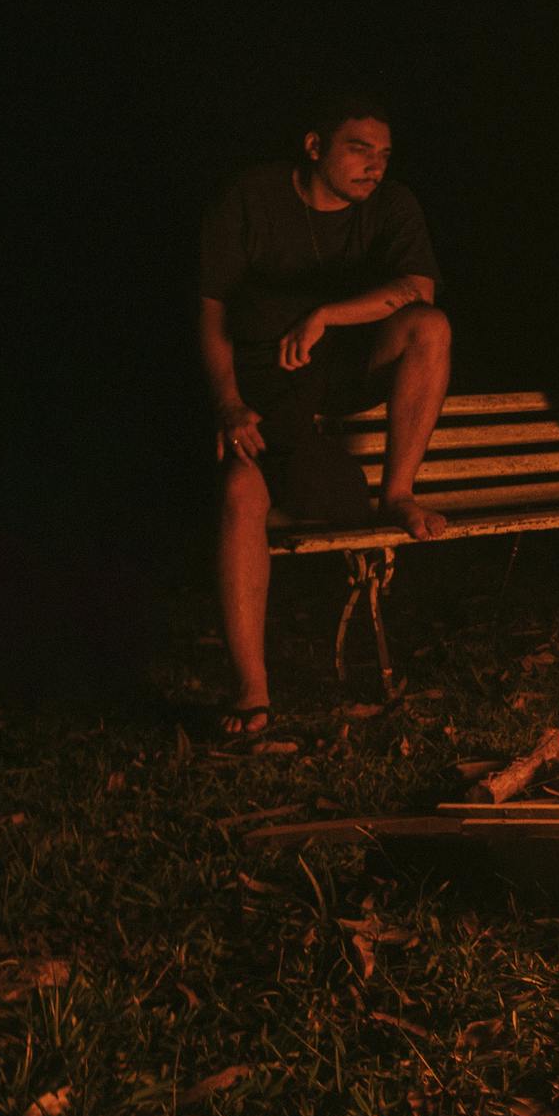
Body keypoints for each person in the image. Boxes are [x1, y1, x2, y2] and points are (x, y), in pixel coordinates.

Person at [197, 92, 451, 731]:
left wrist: (328, 314)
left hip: (339, 368)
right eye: (359, 149)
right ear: (315, 147)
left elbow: (417, 290)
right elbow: (212, 309)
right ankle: (251, 690)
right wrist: (227, 404)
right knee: (238, 492)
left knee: (429, 326)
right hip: (263, 382)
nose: (375, 166)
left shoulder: (391, 205)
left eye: (384, 154)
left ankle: (397, 494)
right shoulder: (253, 199)